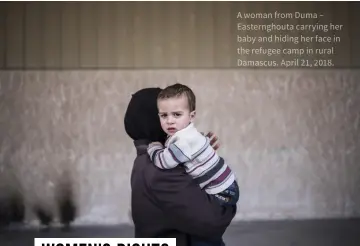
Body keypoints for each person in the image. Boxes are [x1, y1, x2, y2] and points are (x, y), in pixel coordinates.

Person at [124, 87, 236, 246]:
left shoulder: (145, 159)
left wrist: (198, 153)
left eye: (176, 114)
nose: (171, 121)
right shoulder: (160, 169)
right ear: (156, 120)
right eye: (164, 114)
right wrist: (228, 205)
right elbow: (212, 221)